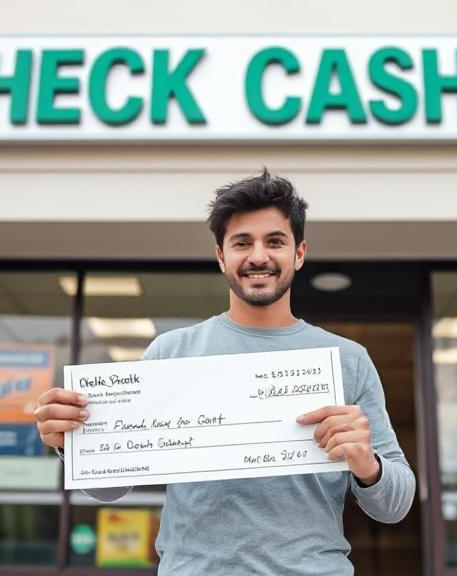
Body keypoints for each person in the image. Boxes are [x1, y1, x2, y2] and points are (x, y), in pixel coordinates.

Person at [35, 169, 415, 575]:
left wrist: (367, 464)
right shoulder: (171, 353)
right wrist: (74, 441)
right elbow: (110, 488)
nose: (258, 256)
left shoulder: (347, 359)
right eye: (241, 243)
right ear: (221, 257)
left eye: (275, 241)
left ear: (299, 253)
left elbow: (395, 506)